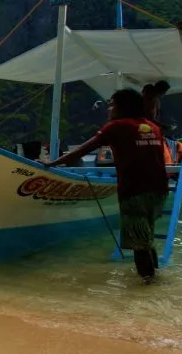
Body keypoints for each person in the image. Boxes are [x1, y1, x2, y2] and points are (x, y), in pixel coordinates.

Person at [41, 88, 168, 281]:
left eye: (112, 104)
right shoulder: (152, 127)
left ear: (122, 107)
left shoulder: (116, 126)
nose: (109, 109)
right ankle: (156, 279)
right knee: (147, 238)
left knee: (139, 243)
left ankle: (148, 289)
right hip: (159, 191)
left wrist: (52, 163)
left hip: (134, 192)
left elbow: (84, 149)